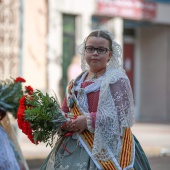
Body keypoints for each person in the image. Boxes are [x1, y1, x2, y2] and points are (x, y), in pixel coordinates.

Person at [41, 30, 151, 170]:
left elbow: (122, 117)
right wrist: (63, 121)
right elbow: (65, 110)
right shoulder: (75, 83)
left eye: (101, 50)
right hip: (75, 145)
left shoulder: (116, 80)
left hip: (110, 149)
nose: (95, 53)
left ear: (110, 54)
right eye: (90, 48)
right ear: (84, 51)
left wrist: (87, 121)